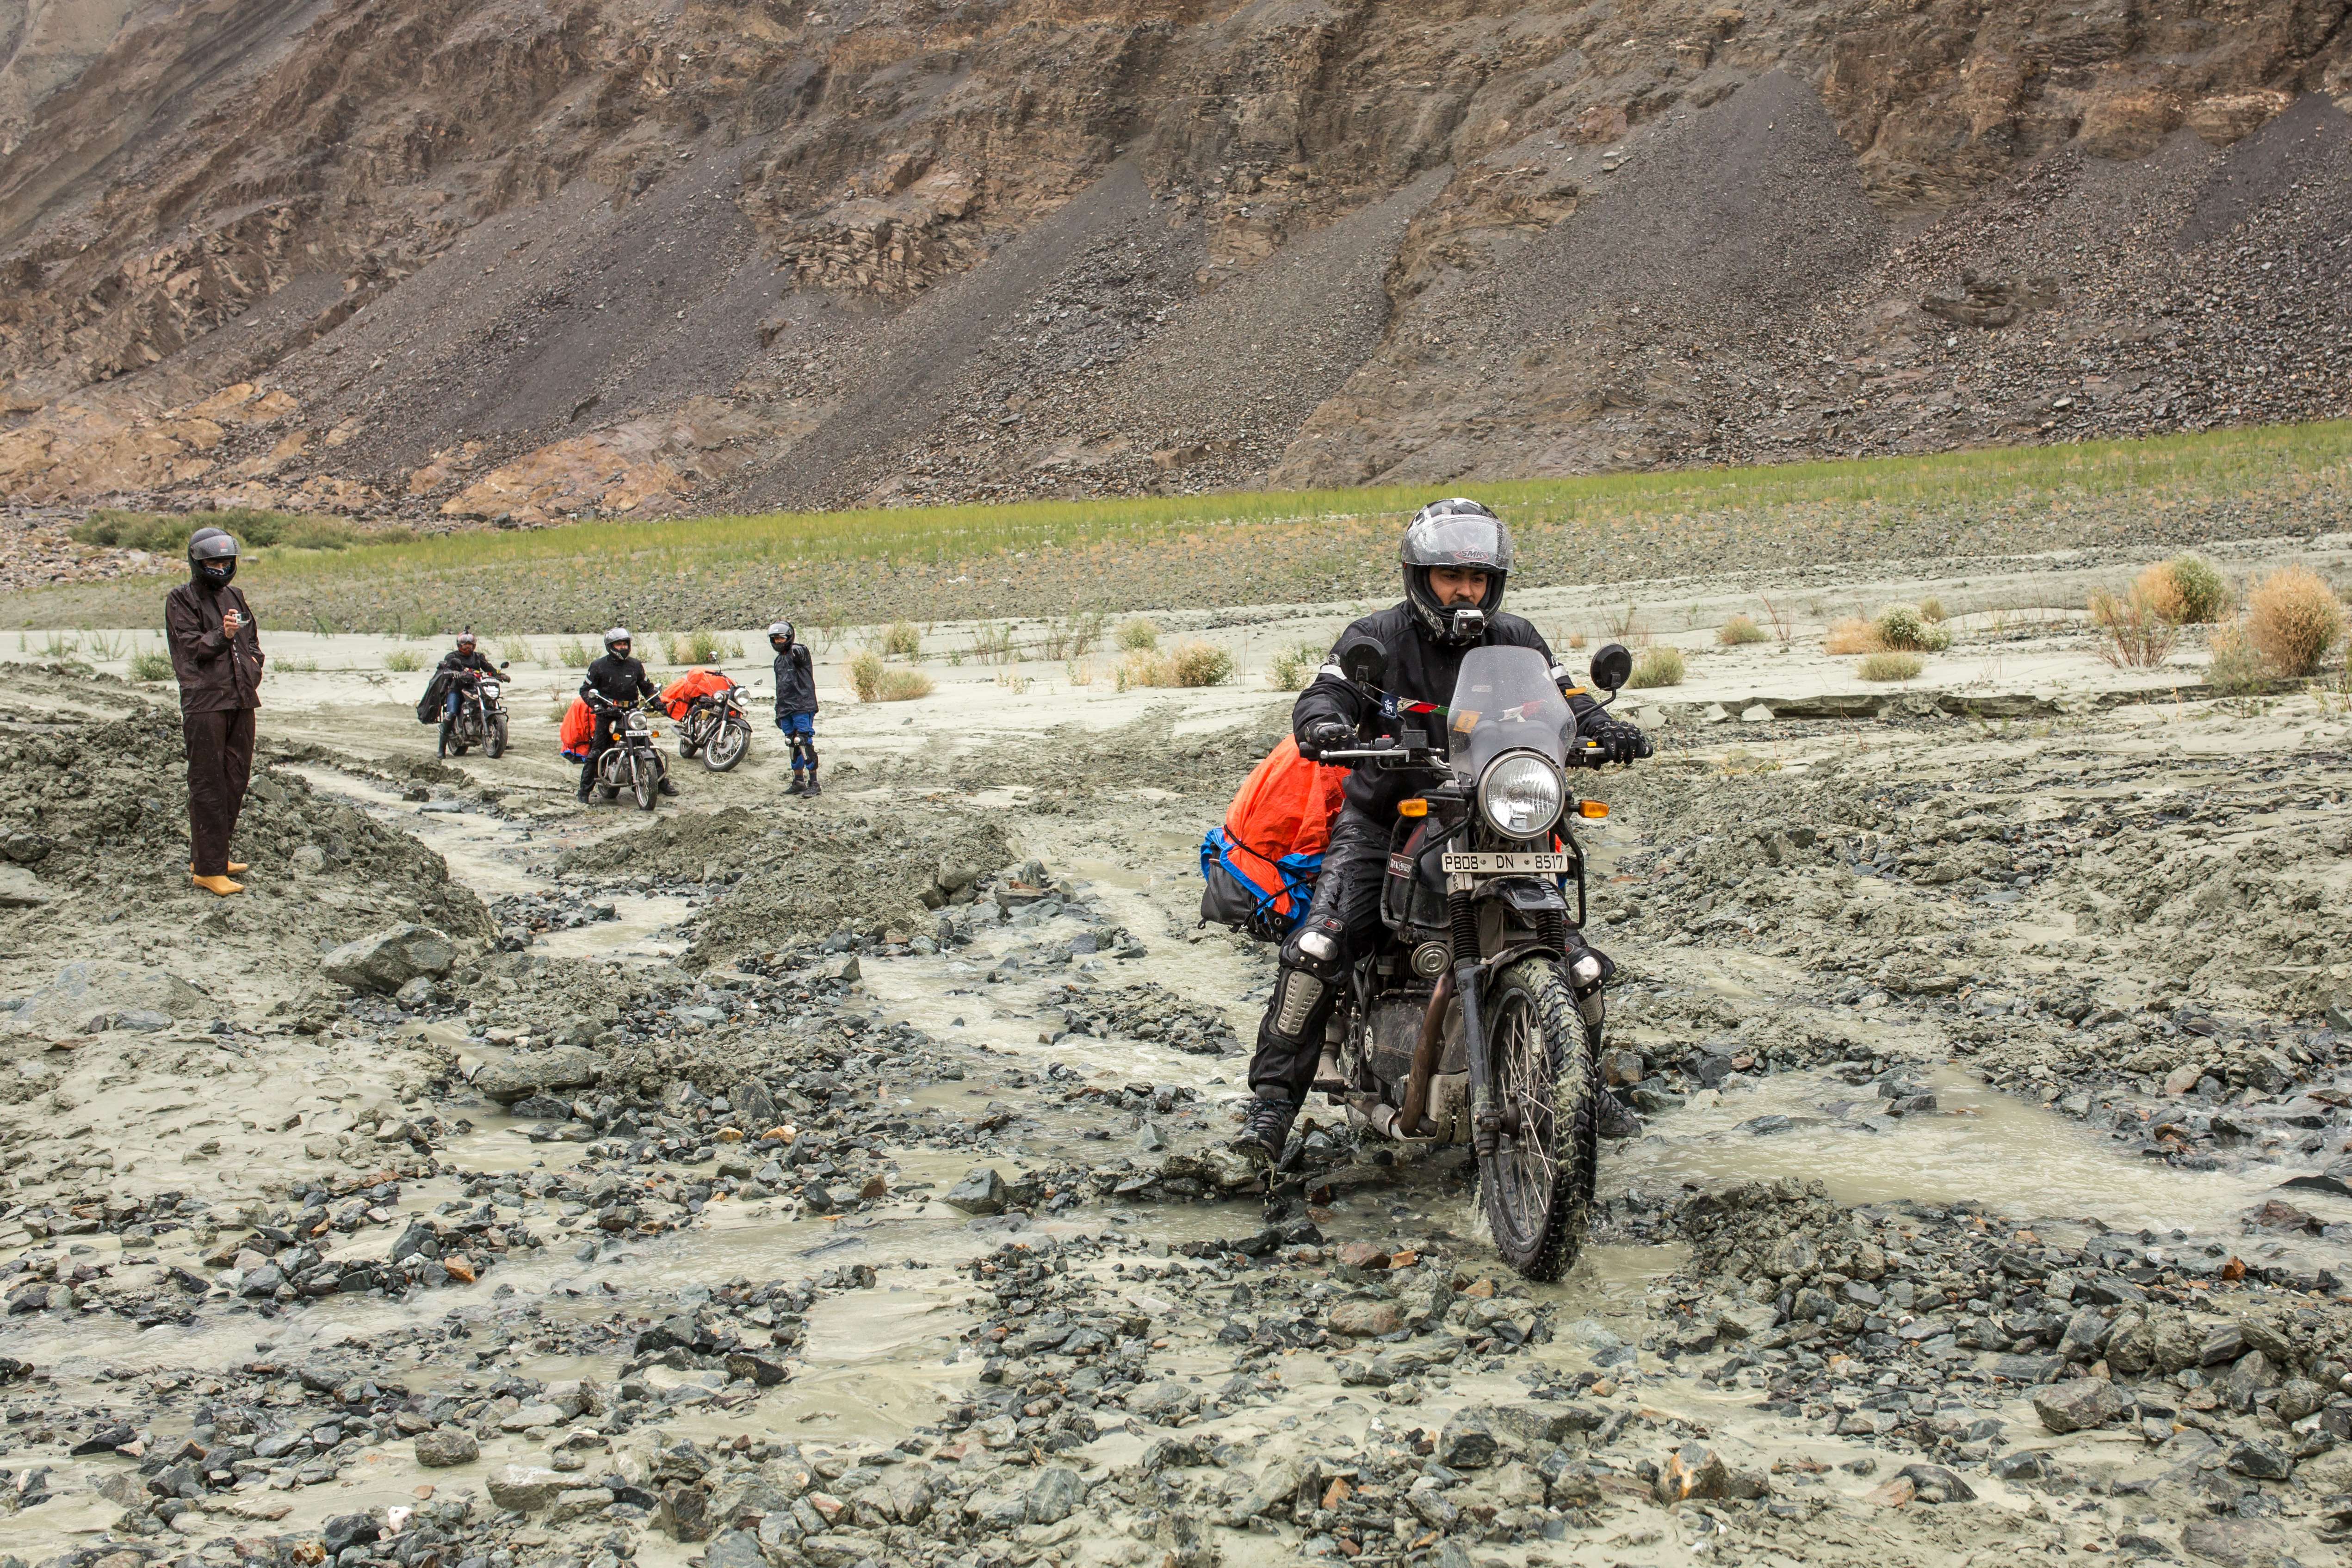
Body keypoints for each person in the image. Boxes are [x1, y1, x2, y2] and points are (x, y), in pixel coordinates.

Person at [1237, 498, 1654, 1161]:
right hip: (1387, 819)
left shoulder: (1517, 638)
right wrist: (1324, 724)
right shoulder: (1374, 637)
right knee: (1318, 948)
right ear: (1419, 576)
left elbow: (1566, 699)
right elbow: (1327, 691)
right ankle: (1271, 1107)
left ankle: (1579, 1085)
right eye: (1450, 576)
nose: (1466, 591)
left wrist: (1604, 728)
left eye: (1479, 579)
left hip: (1496, 820)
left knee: (1579, 965)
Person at [164, 527, 266, 895]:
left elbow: (252, 640)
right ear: (197, 562)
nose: (220, 567)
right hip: (205, 702)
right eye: (212, 562)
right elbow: (193, 649)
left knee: (236, 777)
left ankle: (213, 856)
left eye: (225, 561)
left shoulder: (235, 594)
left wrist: (254, 665)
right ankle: (208, 870)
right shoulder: (180, 599)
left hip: (241, 698)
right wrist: (222, 636)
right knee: (208, 782)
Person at [577, 626, 674, 803]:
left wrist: (658, 703)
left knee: (648, 746)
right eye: (618, 644)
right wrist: (597, 705)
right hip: (607, 713)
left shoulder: (635, 665)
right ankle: (584, 791)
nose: (622, 647)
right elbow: (586, 690)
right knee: (597, 750)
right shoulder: (598, 666)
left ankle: (661, 783)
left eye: (625, 644)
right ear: (610, 646)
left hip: (632, 713)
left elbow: (646, 688)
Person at [769, 621, 820, 797]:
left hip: (803, 705)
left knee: (803, 741)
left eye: (781, 638)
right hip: (786, 707)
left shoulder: (799, 652)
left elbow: (800, 653)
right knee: (791, 742)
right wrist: (778, 710)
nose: (778, 642)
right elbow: (780, 687)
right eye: (775, 639)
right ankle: (799, 781)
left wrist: (797, 649)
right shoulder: (778, 661)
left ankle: (814, 783)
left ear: (789, 637)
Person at [435, 630, 499, 751]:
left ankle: (498, 740)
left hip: (475, 688)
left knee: (492, 703)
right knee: (452, 713)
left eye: (471, 644)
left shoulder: (478, 657)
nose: (468, 646)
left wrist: (499, 675)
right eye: (465, 644)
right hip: (457, 689)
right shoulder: (452, 657)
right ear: (460, 645)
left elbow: (489, 668)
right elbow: (446, 670)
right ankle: (441, 749)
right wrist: (454, 673)